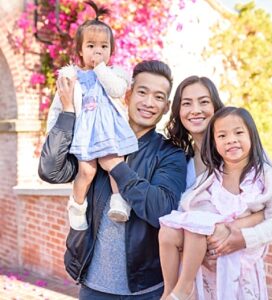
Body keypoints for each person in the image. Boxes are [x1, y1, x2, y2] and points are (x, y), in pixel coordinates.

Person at [38, 59, 187, 299]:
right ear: (127, 95)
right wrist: (67, 114)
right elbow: (50, 170)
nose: (149, 103)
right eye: (142, 92)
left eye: (159, 97)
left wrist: (117, 167)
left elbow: (163, 210)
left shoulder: (169, 153)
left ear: (167, 106)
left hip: (145, 290)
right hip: (93, 286)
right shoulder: (94, 139)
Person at [159, 106, 272, 300]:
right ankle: (173, 291)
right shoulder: (211, 178)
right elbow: (189, 209)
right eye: (222, 136)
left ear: (252, 136)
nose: (231, 139)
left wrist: (245, 237)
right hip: (209, 267)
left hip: (241, 269)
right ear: (214, 143)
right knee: (170, 230)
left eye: (238, 132)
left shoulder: (265, 176)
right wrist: (201, 248)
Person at [47, 0, 137, 224]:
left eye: (104, 46)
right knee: (86, 171)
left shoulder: (116, 73)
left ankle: (119, 201)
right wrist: (52, 136)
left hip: (109, 131)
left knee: (115, 164)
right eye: (91, 46)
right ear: (80, 50)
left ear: (111, 50)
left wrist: (100, 68)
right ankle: (77, 205)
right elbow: (58, 108)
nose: (98, 50)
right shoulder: (72, 77)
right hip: (85, 134)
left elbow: (116, 90)